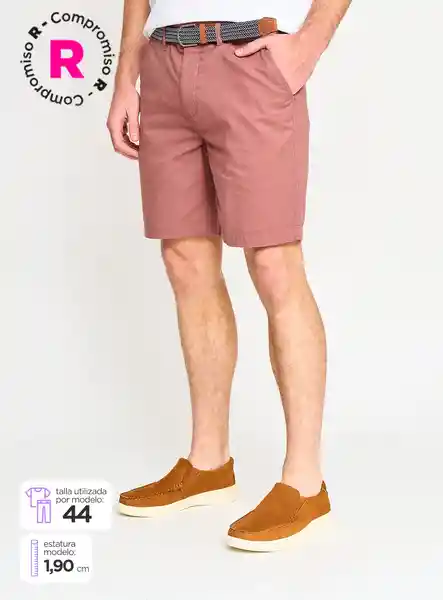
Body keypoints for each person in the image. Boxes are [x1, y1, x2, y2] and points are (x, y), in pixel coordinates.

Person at [108, 0, 351, 551]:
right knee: (184, 258)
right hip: (163, 63)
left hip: (251, 58)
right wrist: (127, 75)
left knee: (273, 262)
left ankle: (305, 484)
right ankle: (208, 462)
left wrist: (309, 43)